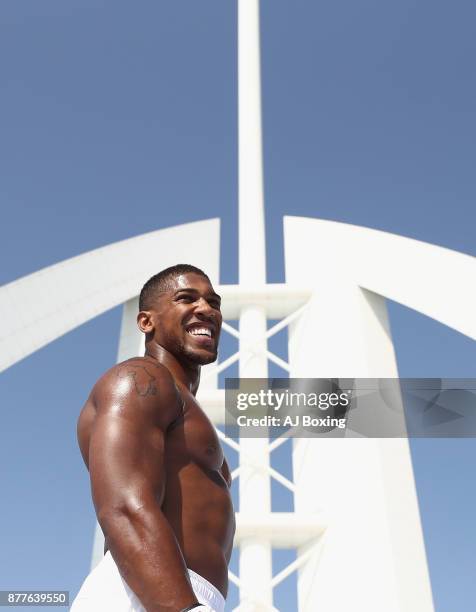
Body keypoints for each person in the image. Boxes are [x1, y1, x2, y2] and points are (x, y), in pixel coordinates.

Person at [71, 264, 235, 612]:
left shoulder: (185, 406)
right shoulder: (139, 379)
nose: (207, 309)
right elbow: (124, 507)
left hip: (183, 595)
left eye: (214, 302)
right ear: (147, 322)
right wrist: (184, 608)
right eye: (186, 298)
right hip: (148, 594)